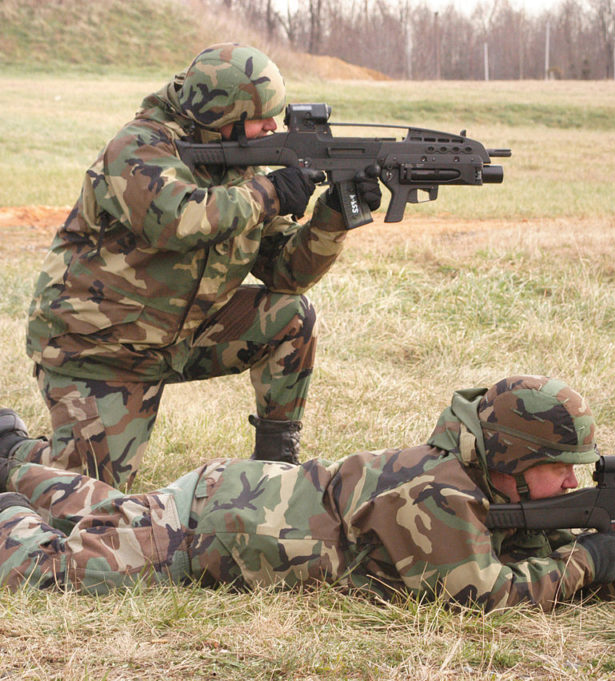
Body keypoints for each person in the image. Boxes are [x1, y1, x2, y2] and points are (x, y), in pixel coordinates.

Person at [0, 375, 615, 611]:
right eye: (560, 467)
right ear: (511, 456)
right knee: (45, 567)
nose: (572, 482)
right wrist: (594, 564)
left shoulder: (488, 486)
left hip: (224, 498)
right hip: (207, 533)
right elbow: (474, 591)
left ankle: (12, 453)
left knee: (101, 505)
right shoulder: (435, 492)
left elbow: (537, 550)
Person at [21, 43, 382, 490]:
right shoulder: (137, 148)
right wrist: (268, 193)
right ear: (222, 113)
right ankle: (14, 450)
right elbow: (179, 220)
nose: (273, 126)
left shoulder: (235, 163)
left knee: (291, 316)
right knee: (86, 494)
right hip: (101, 347)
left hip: (179, 334)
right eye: (263, 115)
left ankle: (277, 468)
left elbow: (286, 274)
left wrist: (333, 216)